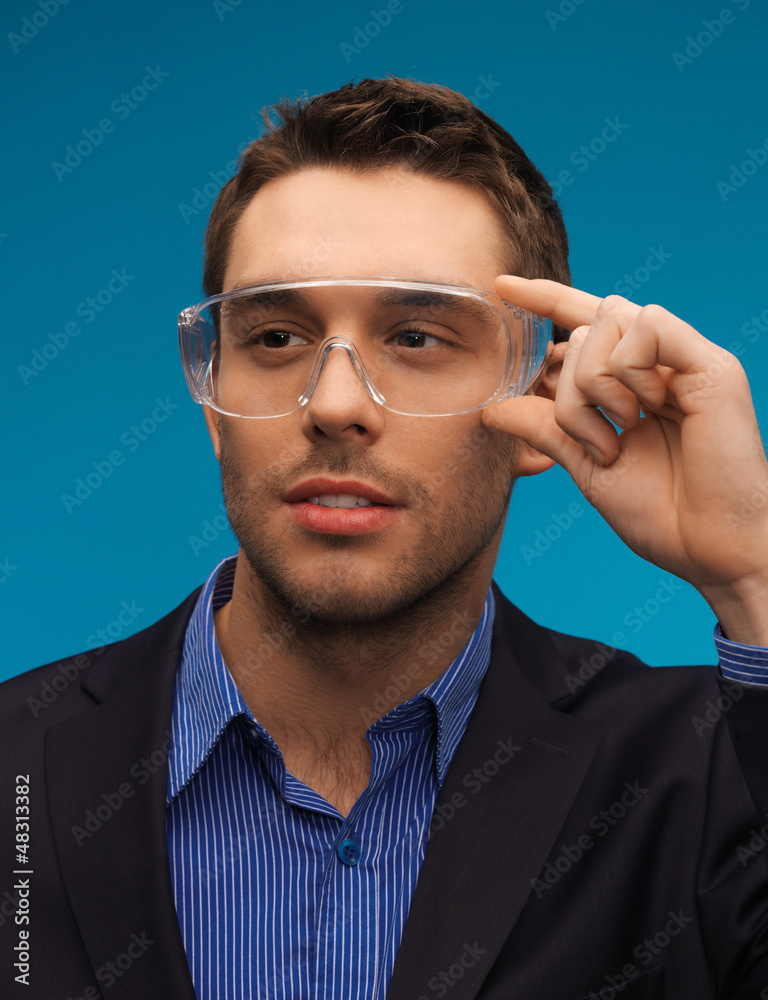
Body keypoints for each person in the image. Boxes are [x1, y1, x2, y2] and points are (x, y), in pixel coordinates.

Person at [2, 76, 768, 1000]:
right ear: (214, 403)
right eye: (277, 336)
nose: (332, 406)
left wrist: (755, 578)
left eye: (417, 336)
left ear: (538, 397)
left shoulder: (707, 773)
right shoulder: (16, 766)